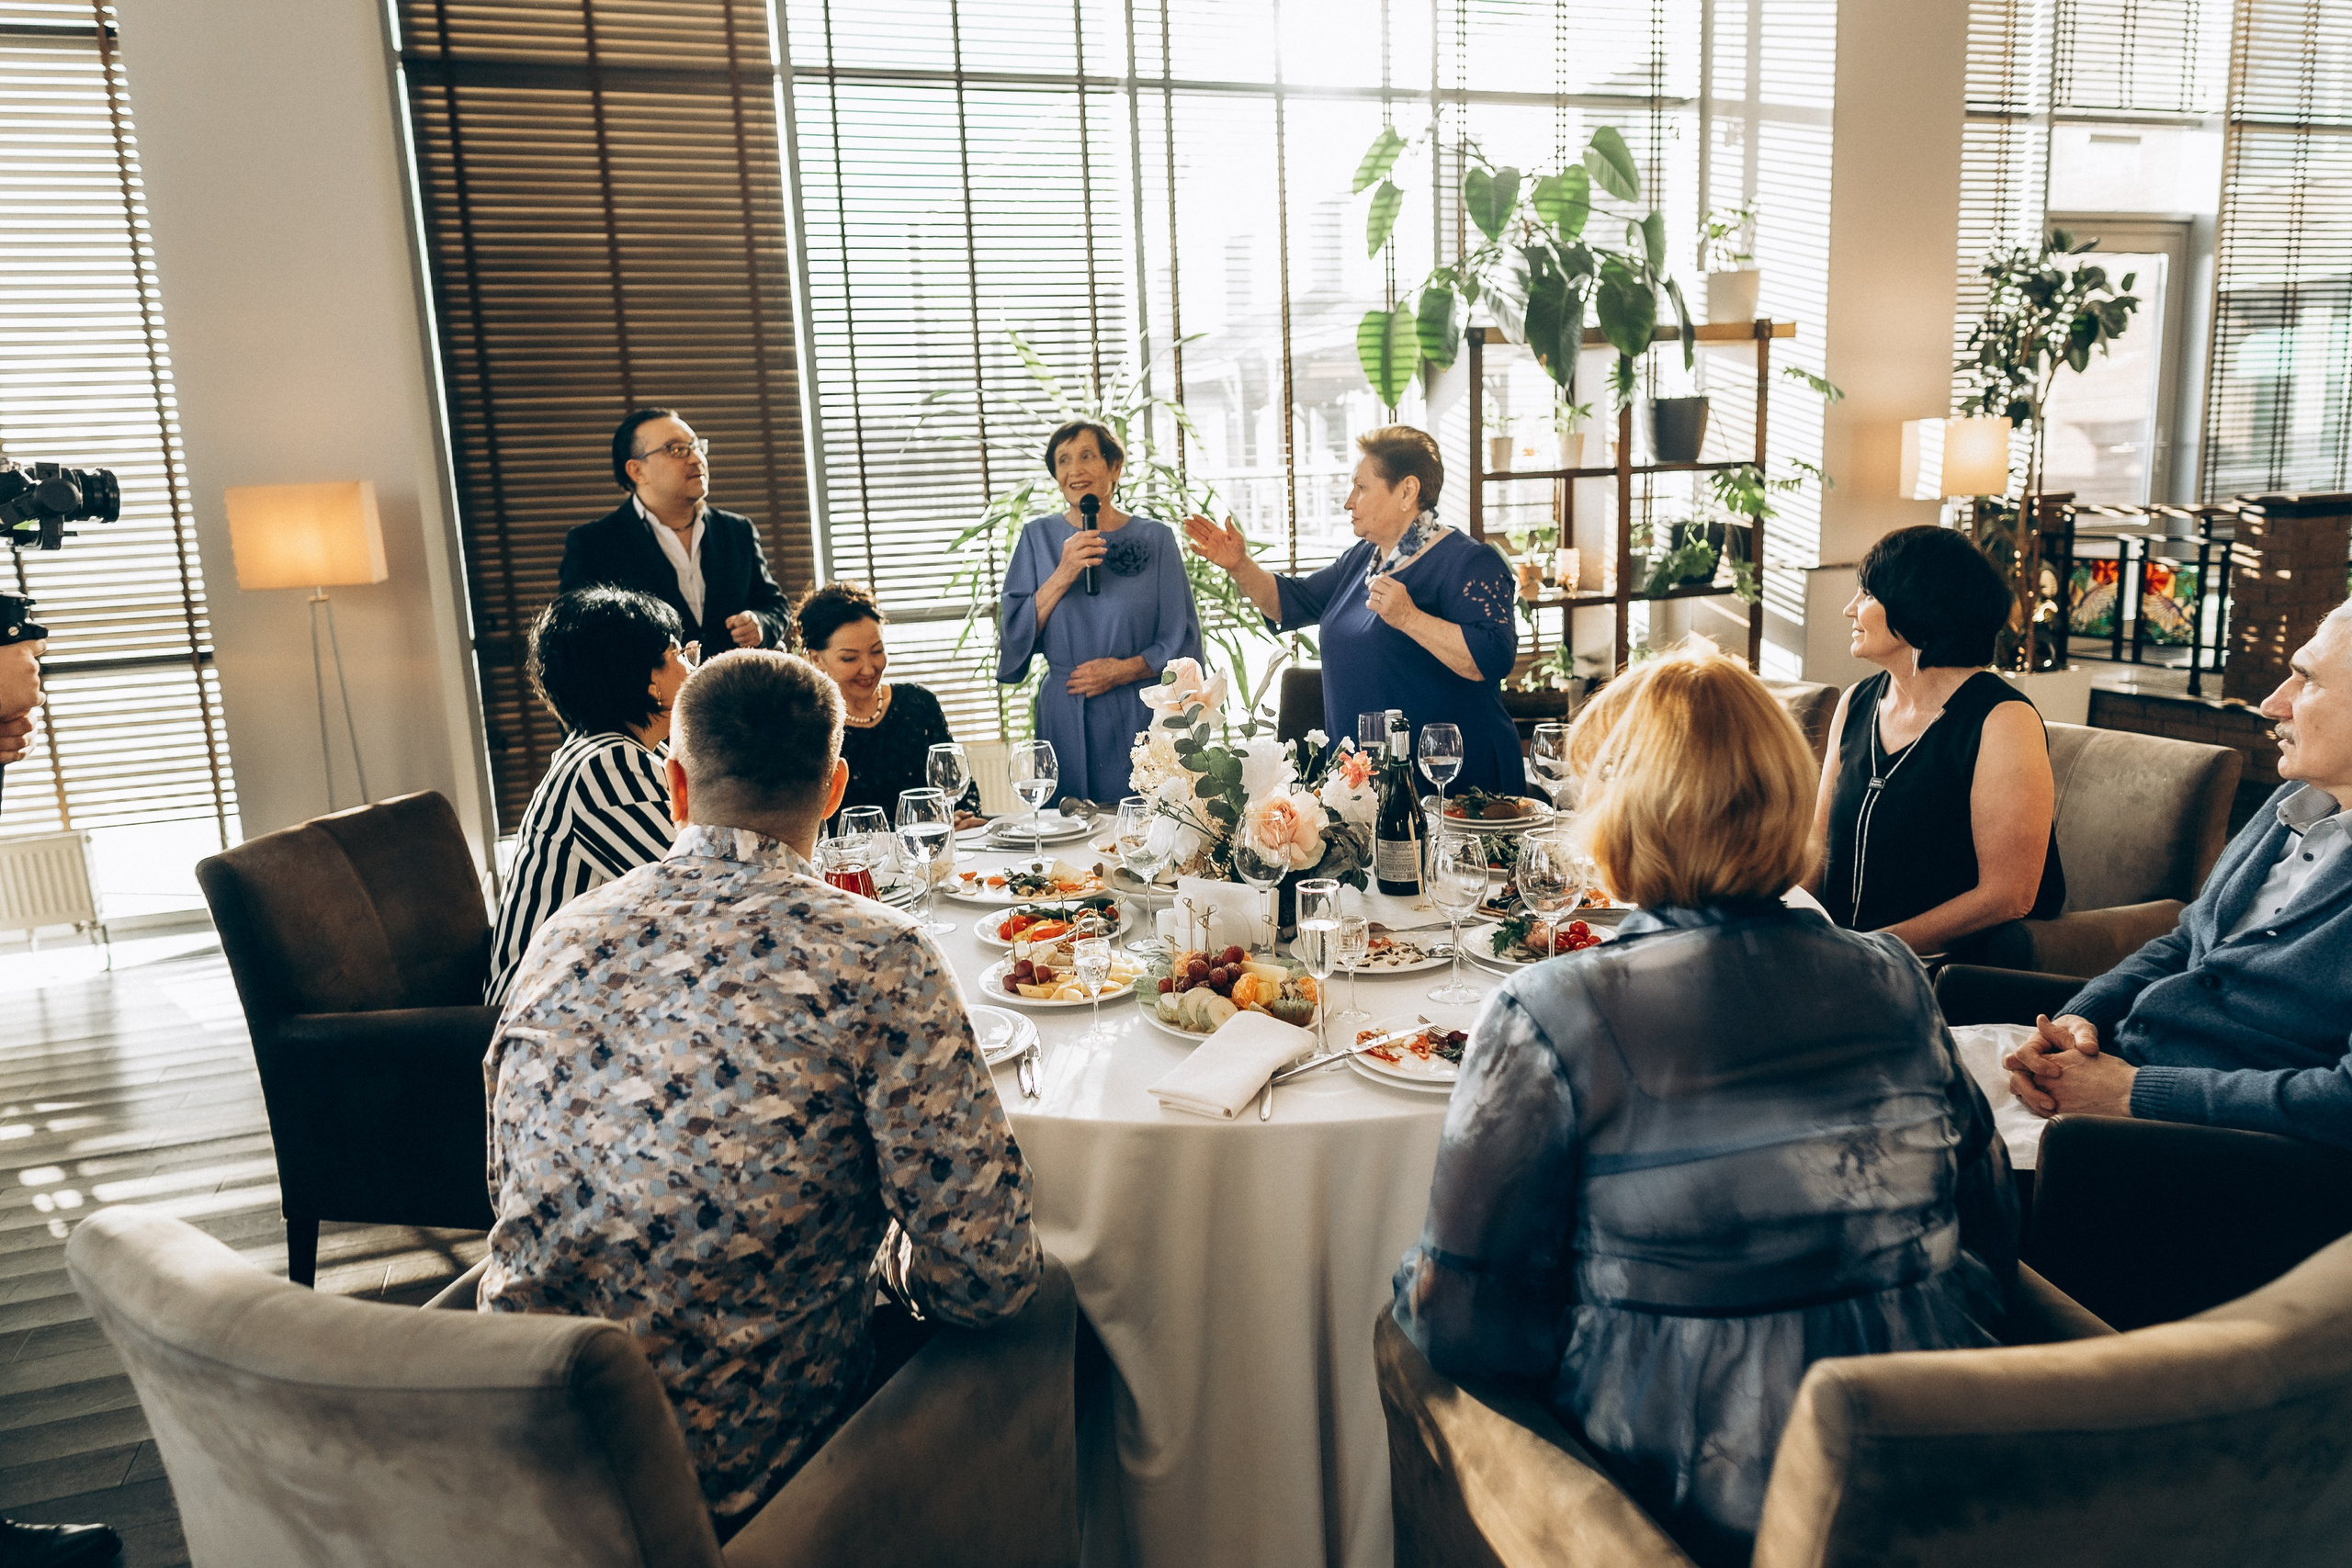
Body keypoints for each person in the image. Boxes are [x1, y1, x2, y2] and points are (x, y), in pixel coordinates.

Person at [1393, 643, 2017, 1567]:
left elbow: (1466, 1324)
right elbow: (1988, 1230)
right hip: (1915, 1475)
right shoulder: (1893, 977)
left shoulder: (1551, 1010)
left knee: (1398, 1336)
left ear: (1614, 813)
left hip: (1681, 1496)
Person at [481, 649, 1041, 1538]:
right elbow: (990, 1272)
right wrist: (885, 1258)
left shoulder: (556, 941)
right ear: (834, 787)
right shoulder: (878, 955)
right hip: (749, 1489)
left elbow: (510, 1191)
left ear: (675, 784)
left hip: (515, 1466)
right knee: (1049, 1310)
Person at [2004, 600, 2352, 1146]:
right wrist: (2082, 1019)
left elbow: (2344, 1102)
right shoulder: (2293, 803)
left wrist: (2131, 1093)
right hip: (2115, 1077)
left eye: (2305, 681)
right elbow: (2190, 938)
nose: (2270, 704)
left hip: (2214, 1157)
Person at [1185, 425, 1526, 794]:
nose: (1349, 501)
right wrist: (1240, 565)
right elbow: (1288, 602)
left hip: (1452, 785)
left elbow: (1491, 659)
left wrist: (1411, 619)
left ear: (1407, 491)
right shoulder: (1363, 559)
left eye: (1361, 488)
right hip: (1367, 785)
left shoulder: (1469, 562)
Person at [1810, 525, 2064, 961]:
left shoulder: (2003, 720)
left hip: (1941, 967)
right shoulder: (1856, 702)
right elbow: (1818, 848)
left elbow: (2010, 895)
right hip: (1841, 959)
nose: (1850, 609)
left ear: (1919, 607)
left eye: (1868, 594)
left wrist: (1874, 949)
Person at [485, 588, 689, 1006]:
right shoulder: (606, 766)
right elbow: (694, 891)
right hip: (538, 1010)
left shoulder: (628, 752)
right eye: (679, 653)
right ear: (650, 682)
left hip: (591, 987)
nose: (692, 667)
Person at [997, 419, 1202, 804]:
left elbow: (1183, 637)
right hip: (1064, 709)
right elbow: (1013, 637)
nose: (1075, 469)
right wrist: (1064, 573)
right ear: (1056, 477)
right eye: (1063, 460)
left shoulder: (1155, 539)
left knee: (1143, 828)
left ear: (1114, 468)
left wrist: (1125, 670)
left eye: (1087, 456)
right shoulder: (1036, 538)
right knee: (1067, 835)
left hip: (1138, 707)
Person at [559, 407, 795, 659]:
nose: (696, 459)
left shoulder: (737, 530)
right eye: (677, 450)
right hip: (650, 695)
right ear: (637, 471)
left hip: (735, 690)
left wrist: (760, 623)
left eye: (696, 446)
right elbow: (578, 635)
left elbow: (774, 604)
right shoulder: (594, 544)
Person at [795, 580, 979, 826]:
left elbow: (962, 793)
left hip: (927, 856)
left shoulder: (919, 705)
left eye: (876, 651)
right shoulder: (806, 724)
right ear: (816, 658)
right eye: (849, 658)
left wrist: (958, 817)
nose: (869, 668)